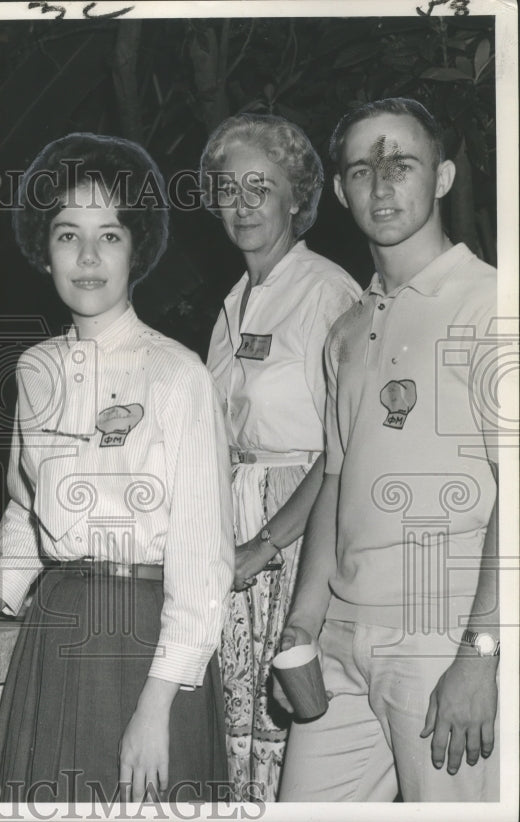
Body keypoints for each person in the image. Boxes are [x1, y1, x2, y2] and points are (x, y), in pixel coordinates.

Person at [0, 133, 234, 803]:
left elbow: (203, 557)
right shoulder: (33, 369)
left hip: (148, 644)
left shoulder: (178, 374)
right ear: (45, 252)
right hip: (58, 630)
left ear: (140, 249)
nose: (89, 257)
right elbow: (24, 502)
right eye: (69, 235)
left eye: (110, 235)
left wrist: (157, 706)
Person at [275, 98, 501, 802]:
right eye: (362, 168)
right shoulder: (346, 327)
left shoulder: (489, 302)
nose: (381, 182)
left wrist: (481, 655)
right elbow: (336, 486)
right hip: (341, 638)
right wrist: (302, 624)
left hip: (443, 634)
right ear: (341, 191)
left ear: (441, 178)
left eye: (401, 163)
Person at [199, 114, 360, 801]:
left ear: (296, 196)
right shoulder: (232, 304)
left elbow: (343, 453)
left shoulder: (329, 293)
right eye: (228, 188)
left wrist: (263, 547)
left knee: (293, 746)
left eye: (259, 187)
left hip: (292, 551)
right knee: (229, 747)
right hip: (232, 544)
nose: (242, 204)